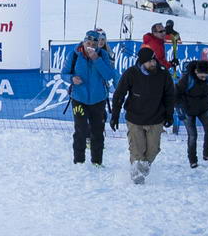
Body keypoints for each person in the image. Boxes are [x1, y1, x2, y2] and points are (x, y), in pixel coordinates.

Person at [110, 47, 175, 185]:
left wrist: (169, 115)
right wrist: (115, 114)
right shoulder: (131, 73)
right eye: (149, 62)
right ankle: (137, 180)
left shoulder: (163, 74)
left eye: (154, 60)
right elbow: (119, 94)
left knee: (153, 151)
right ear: (142, 62)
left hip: (156, 118)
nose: (153, 64)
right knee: (137, 151)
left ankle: (143, 171)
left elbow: (170, 95)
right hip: (135, 119)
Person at [63, 30, 116, 167]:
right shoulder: (74, 54)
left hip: (98, 100)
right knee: (80, 130)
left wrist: (96, 59)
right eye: (88, 43)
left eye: (94, 43)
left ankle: (97, 162)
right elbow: (64, 73)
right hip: (79, 98)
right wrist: (71, 79)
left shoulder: (103, 55)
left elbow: (109, 75)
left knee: (97, 131)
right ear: (84, 41)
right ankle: (79, 161)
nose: (90, 46)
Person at [175, 48, 208, 167]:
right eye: (201, 77)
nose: (204, 79)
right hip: (187, 110)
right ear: (196, 72)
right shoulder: (186, 78)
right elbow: (176, 94)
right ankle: (192, 159)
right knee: (193, 135)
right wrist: (179, 109)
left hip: (204, 108)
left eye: (206, 77)